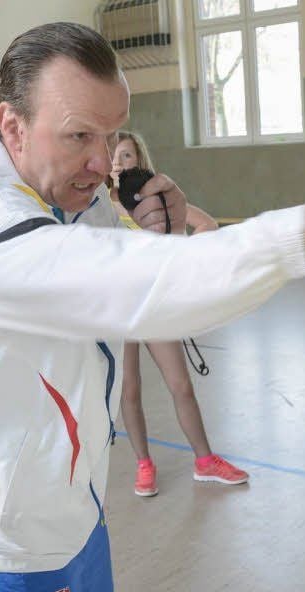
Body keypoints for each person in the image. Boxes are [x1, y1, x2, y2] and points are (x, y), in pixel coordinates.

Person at [0, 22, 305, 592]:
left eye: (112, 134)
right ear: (12, 125)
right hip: (7, 529)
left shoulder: (65, 191)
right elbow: (137, 285)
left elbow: (119, 254)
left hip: (70, 495)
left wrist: (150, 231)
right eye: (79, 136)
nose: (100, 161)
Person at [109, 130, 248, 496]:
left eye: (127, 156)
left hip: (155, 306)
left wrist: (179, 256)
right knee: (130, 389)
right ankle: (144, 464)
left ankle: (205, 461)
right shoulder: (98, 206)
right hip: (118, 309)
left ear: (139, 160)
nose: (119, 163)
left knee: (181, 385)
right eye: (114, 155)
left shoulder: (158, 199)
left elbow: (207, 225)